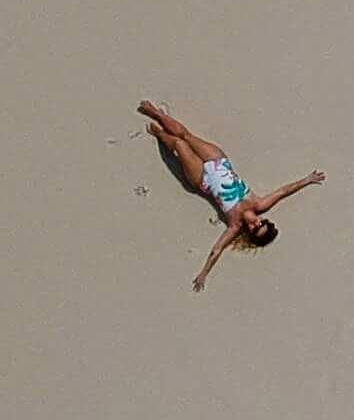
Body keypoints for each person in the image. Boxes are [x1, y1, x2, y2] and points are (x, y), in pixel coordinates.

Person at [137, 100, 322, 290]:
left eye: (253, 230)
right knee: (186, 135)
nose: (254, 224)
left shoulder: (234, 225)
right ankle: (157, 114)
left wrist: (203, 274)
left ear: (249, 232)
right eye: (260, 224)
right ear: (263, 220)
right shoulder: (259, 205)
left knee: (178, 143)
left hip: (202, 179)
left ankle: (159, 134)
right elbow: (283, 192)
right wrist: (307, 180)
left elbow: (217, 250)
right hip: (218, 162)